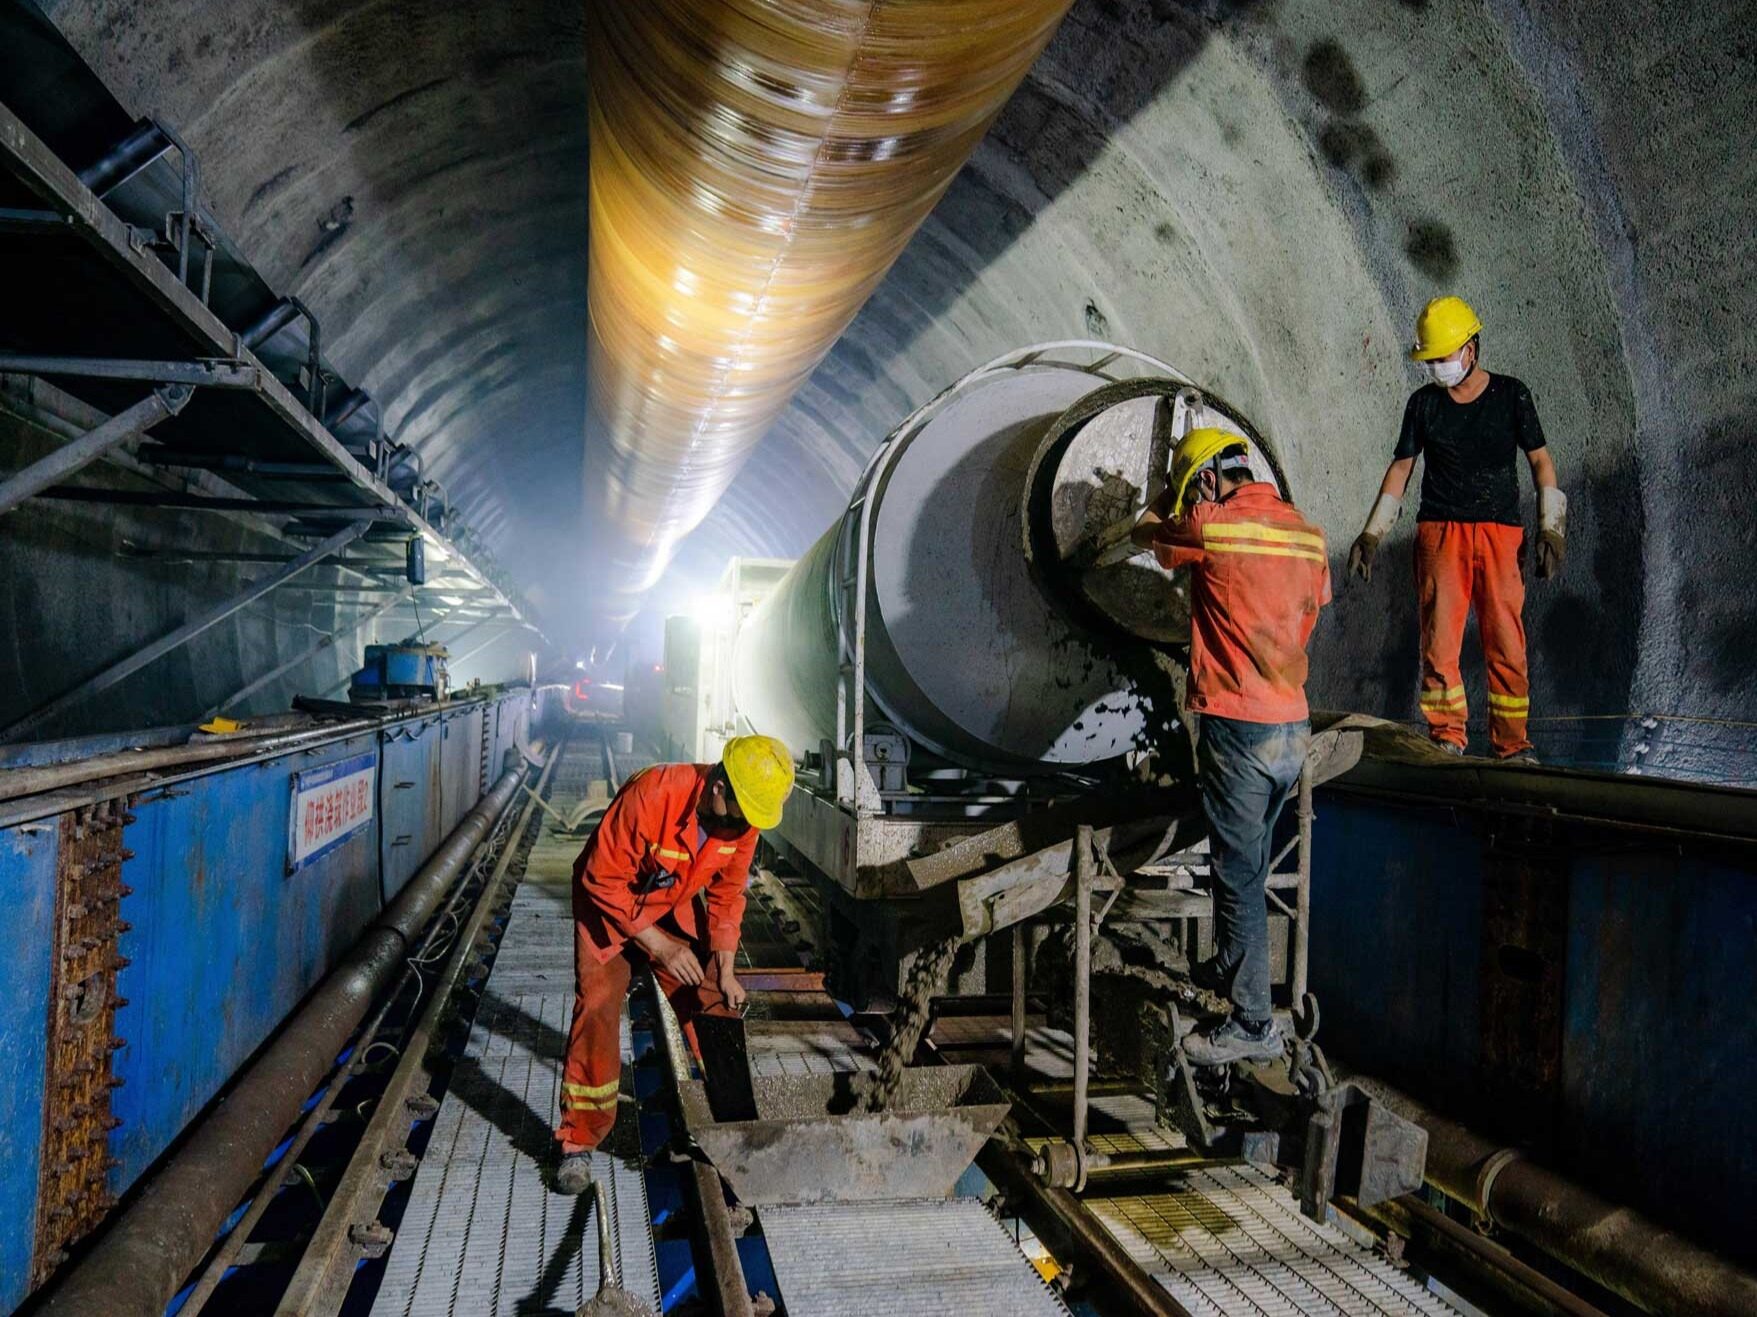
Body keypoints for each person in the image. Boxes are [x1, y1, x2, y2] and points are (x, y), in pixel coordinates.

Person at [1129, 428, 1330, 1066]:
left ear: (1209, 482)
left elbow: (1148, 536)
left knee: (1236, 874)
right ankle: (1230, 965)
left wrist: (1169, 498)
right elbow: (1310, 607)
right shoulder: (1308, 534)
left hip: (1238, 726)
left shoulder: (1211, 526)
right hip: (1291, 728)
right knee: (1256, 861)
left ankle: (1251, 1025)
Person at [554, 734, 793, 1194]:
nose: (743, 826)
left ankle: (734, 1125)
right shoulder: (655, 793)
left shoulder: (743, 823)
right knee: (599, 1006)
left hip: (669, 900)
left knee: (710, 997)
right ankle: (577, 1141)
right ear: (718, 787)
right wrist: (661, 947)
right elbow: (600, 879)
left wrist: (723, 968)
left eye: (752, 820)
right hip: (608, 899)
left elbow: (726, 896)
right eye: (740, 813)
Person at [1347, 296, 1567, 762]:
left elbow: (1541, 461)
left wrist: (1552, 528)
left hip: (1498, 533)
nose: (1436, 368)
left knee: (1506, 641)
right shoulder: (1423, 405)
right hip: (1440, 533)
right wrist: (1372, 534)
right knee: (1439, 642)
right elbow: (1400, 469)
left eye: (1442, 357)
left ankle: (1512, 744)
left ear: (1471, 348)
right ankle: (1447, 736)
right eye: (1430, 360)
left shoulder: (1512, 395)